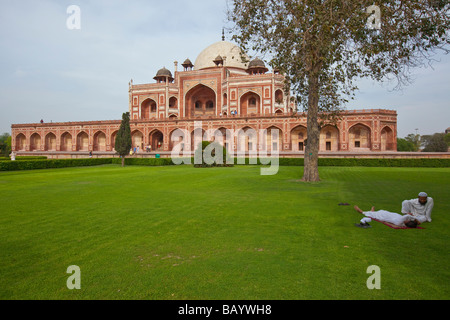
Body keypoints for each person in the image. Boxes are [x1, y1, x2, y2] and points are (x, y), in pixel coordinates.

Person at [354, 205, 420, 229]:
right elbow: (408, 217)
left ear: (407, 223)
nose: (407, 219)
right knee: (379, 213)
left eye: (408, 220)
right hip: (388, 215)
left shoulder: (400, 220)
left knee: (375, 214)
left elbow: (408, 215)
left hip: (385, 216)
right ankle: (372, 212)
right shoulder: (401, 223)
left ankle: (361, 211)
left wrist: (416, 220)